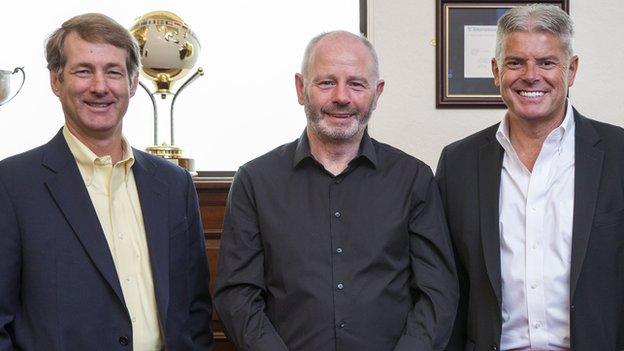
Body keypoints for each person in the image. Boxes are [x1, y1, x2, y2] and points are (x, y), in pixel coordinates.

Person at [214, 30, 458, 351]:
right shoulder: (255, 181)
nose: (342, 97)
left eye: (356, 84)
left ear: (376, 93)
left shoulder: (413, 178)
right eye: (327, 82)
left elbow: (437, 291)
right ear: (301, 89)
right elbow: (237, 294)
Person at [0, 13, 213, 350]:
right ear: (56, 81)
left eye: (113, 72)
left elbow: (194, 310)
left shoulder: (174, 185)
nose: (100, 87)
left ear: (132, 82)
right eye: (83, 71)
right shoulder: (11, 185)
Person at [437, 4, 624, 351]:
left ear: (572, 70)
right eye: (515, 62)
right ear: (496, 71)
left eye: (547, 62)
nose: (531, 75)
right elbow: (448, 286)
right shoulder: (457, 164)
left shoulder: (619, 154)